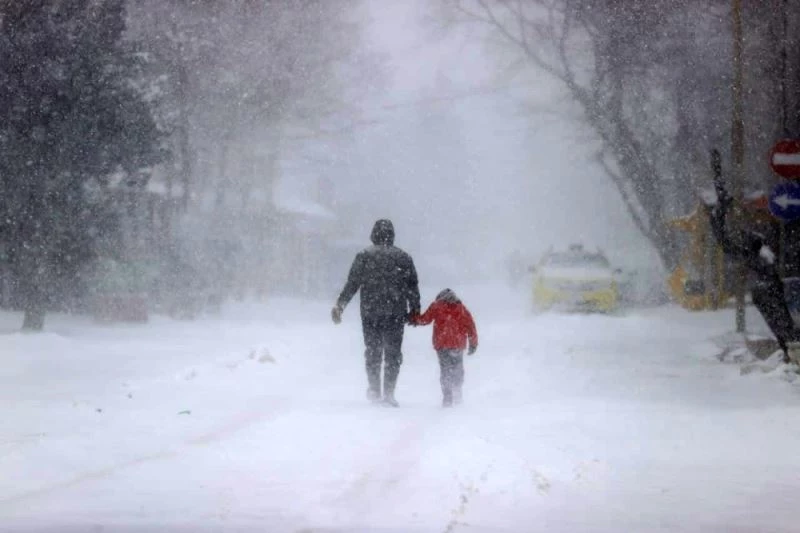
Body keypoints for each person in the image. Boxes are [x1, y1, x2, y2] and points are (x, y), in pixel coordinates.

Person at [703, 184, 799, 363]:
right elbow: (730, 244)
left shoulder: (773, 236)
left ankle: (791, 353)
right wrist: (718, 217)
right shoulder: (759, 241)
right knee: (789, 337)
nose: (759, 213)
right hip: (772, 294)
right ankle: (791, 353)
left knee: (789, 336)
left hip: (774, 294)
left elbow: (729, 244)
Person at [331, 219, 420, 406]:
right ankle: (389, 392)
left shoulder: (364, 256)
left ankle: (374, 389)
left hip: (371, 312)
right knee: (393, 353)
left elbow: (352, 284)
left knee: (373, 351)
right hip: (395, 312)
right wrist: (415, 310)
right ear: (392, 236)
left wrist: (340, 305)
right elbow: (412, 287)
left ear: (373, 235)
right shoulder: (403, 258)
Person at [412, 288, 478, 407]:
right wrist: (473, 343)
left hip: (442, 345)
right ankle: (457, 391)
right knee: (457, 368)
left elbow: (425, 320)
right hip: (457, 344)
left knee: (445, 370)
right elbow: (471, 326)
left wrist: (413, 319)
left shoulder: (437, 306)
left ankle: (447, 396)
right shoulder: (461, 308)